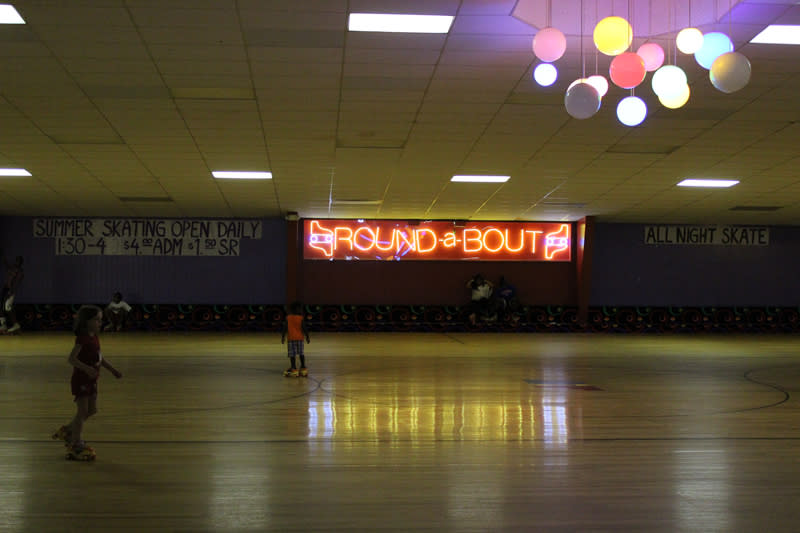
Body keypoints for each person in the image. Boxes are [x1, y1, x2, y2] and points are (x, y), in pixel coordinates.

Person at [51, 305, 122, 460]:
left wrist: (112, 370)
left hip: (92, 380)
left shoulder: (94, 337)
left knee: (92, 410)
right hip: (81, 380)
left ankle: (68, 430)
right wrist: (87, 369)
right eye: (97, 320)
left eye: (100, 320)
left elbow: (100, 358)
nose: (100, 323)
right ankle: (76, 443)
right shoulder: (82, 339)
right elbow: (72, 359)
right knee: (82, 411)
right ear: (86, 321)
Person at [281, 301, 310, 377]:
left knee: (292, 354)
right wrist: (307, 336)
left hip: (291, 339)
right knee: (301, 353)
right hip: (300, 338)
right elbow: (304, 328)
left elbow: (285, 328)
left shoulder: (288, 318)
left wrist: (283, 336)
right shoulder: (300, 318)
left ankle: (294, 369)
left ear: (290, 310)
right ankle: (303, 368)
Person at [0, 253, 24, 333]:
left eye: (18, 260)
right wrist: (3, 255)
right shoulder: (12, 268)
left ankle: (16, 325)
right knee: (1, 307)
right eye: (16, 260)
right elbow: (6, 264)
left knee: (8, 308)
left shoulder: (20, 272)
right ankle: (3, 325)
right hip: (5, 289)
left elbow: (16, 283)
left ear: (21, 262)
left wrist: (11, 291)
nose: (16, 261)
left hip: (10, 291)